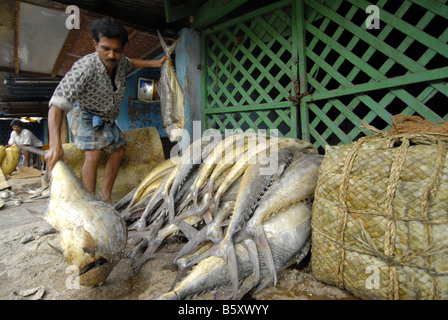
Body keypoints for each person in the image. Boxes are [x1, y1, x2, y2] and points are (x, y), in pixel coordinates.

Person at [46, 18, 169, 204]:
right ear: (95, 45)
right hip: (84, 113)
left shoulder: (121, 62)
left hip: (106, 117)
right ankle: (91, 203)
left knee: (118, 152)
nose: (112, 55)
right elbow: (56, 105)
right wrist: (55, 144)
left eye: (117, 50)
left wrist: (156, 63)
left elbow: (131, 63)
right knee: (93, 153)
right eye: (106, 49)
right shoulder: (84, 68)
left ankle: (106, 197)